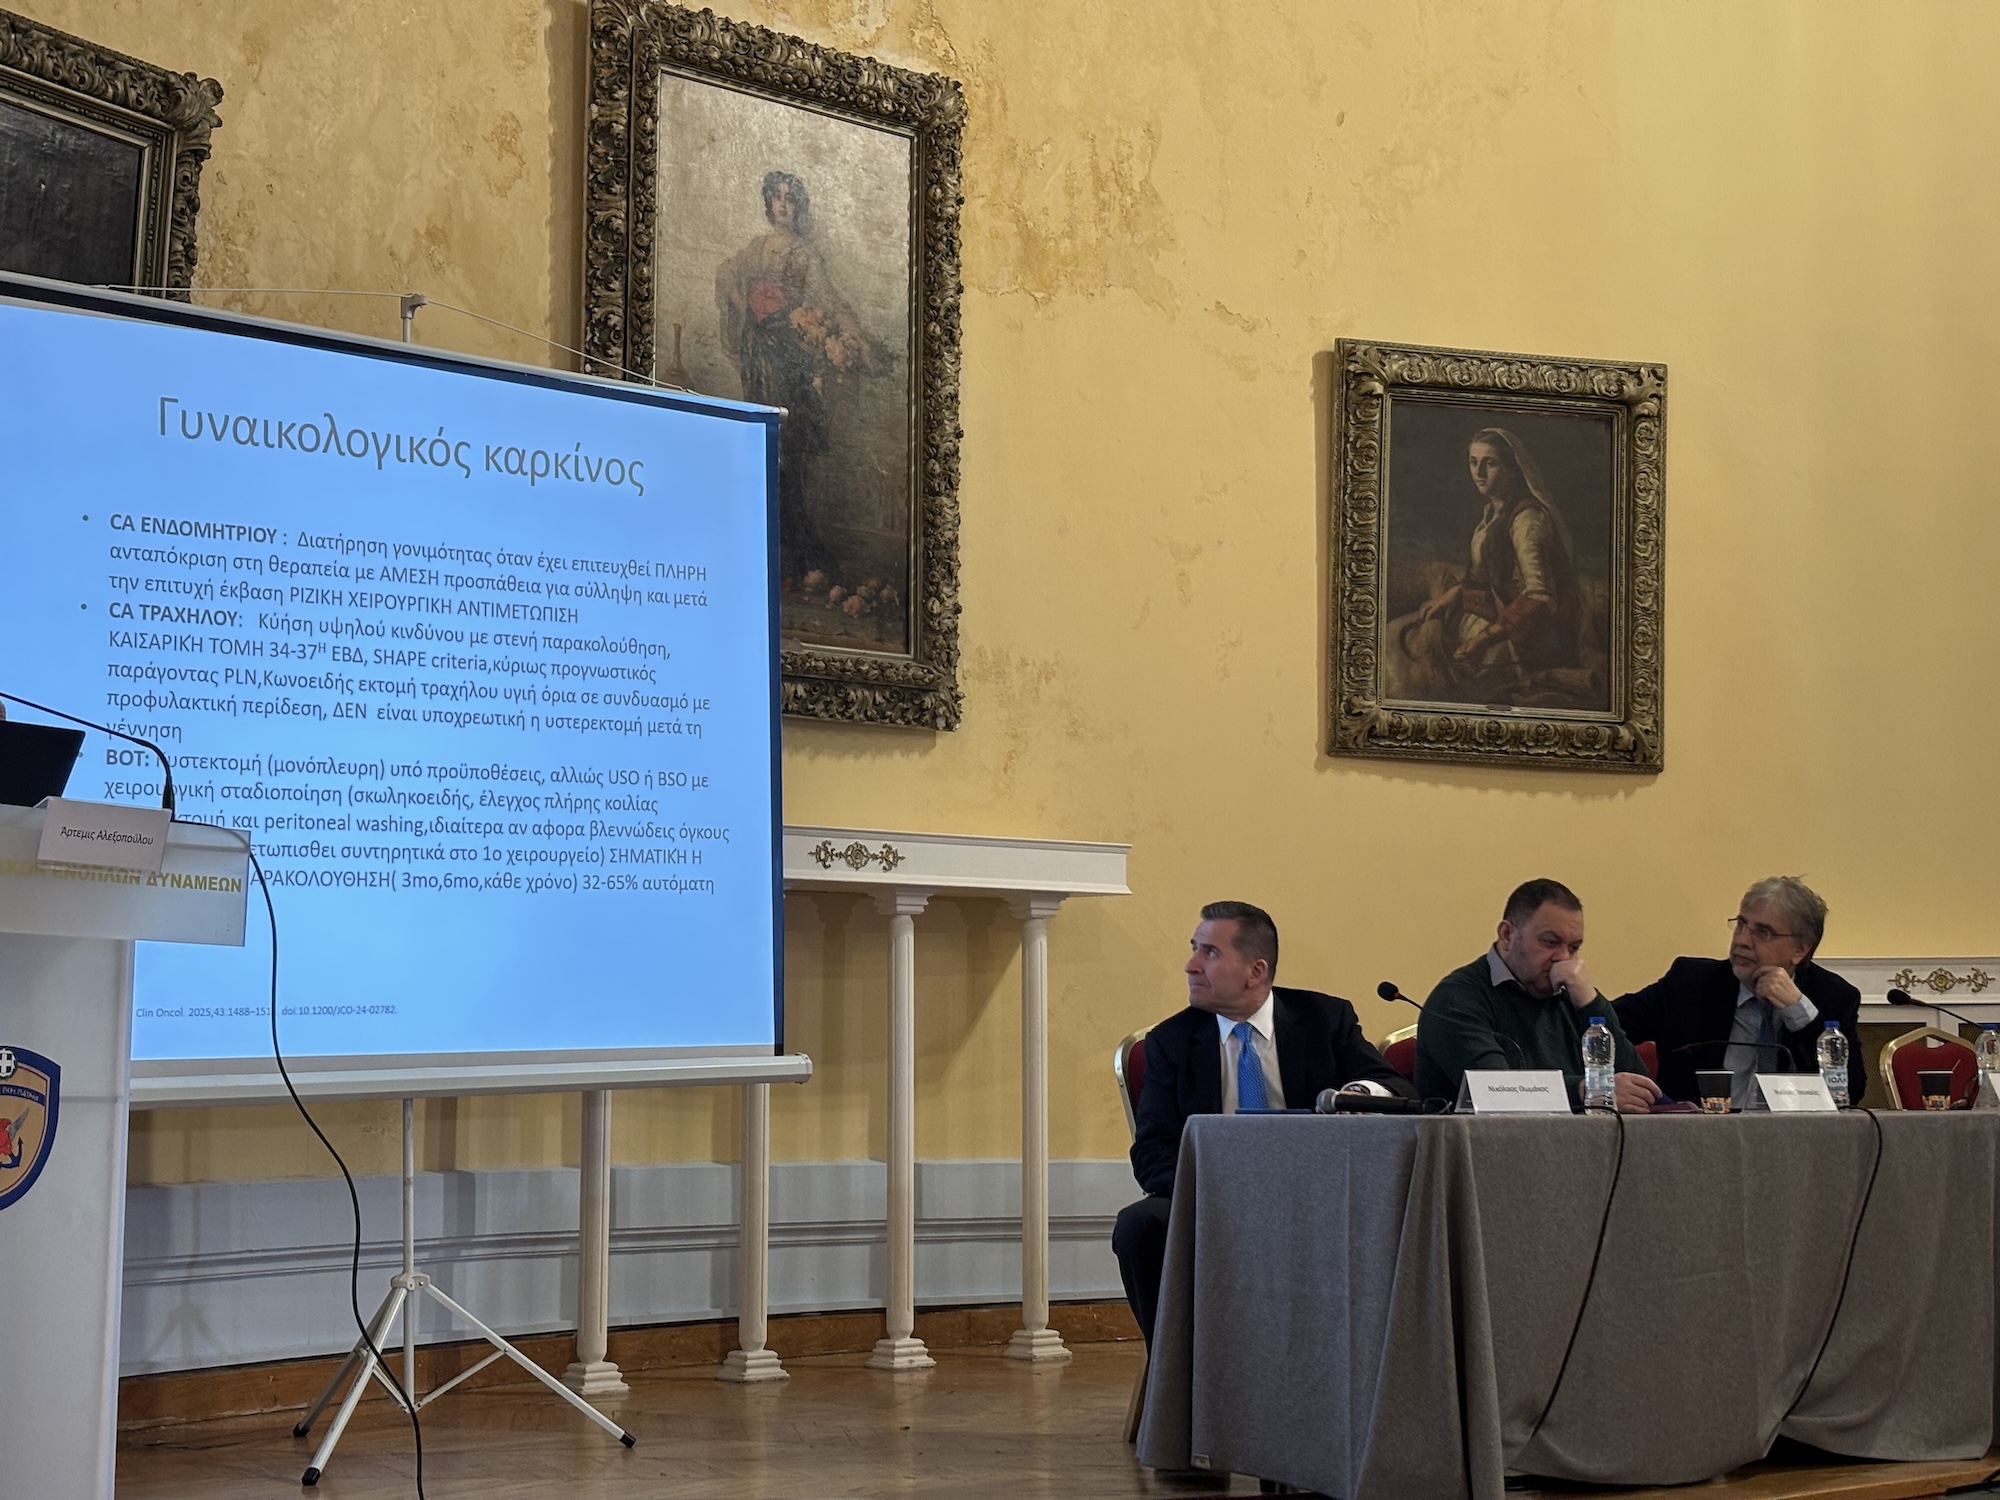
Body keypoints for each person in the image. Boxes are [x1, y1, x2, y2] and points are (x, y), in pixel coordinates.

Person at [1111, 901, 1413, 1345]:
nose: (1191, 965)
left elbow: (1397, 1087)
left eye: (1210, 953)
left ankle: (1365, 1363)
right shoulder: (1171, 1042)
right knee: (1139, 1225)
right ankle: (1178, 1371)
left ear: (1256, 971)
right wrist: (1225, 1189)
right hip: (1215, 1197)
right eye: (1194, 949)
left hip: (1319, 1196)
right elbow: (1152, 1151)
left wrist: (1358, 1094)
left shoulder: (1325, 1020)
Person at [714, 169, 889, 583]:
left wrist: (857, 339)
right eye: (776, 196)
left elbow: (831, 301)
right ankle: (757, 543)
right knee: (759, 440)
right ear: (768, 202)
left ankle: (790, 545)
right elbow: (726, 274)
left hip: (787, 355)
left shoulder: (805, 255)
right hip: (757, 352)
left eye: (790, 198)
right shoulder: (756, 248)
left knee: (787, 444)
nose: (782, 204)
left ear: (799, 207)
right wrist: (745, 306)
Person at [1387, 427, 1602, 710]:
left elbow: (1539, 596)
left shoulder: (1527, 520)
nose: (1479, 472)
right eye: (1473, 462)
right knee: (1398, 638)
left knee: (1422, 669)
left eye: (1490, 463)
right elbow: (1484, 575)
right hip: (1483, 616)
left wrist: (1482, 640)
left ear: (1512, 470)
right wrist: (1451, 595)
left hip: (1519, 638)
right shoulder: (1493, 513)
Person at [1613, 877, 1864, 1109]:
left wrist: (1800, 1014)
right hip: (1696, 1135)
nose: (1742, 940)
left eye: (1762, 932)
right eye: (1741, 925)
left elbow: (1849, 1093)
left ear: (1800, 950)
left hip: (1794, 1136)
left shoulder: (1833, 997)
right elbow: (1609, 1027)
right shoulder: (1690, 983)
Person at [1414, 878, 1659, 1112]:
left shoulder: (1575, 994)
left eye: (1574, 948)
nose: (1564, 958)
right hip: (1480, 1141)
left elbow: (1641, 1092)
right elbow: (1495, 1092)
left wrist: (1590, 1003)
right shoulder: (1457, 998)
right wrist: (1588, 1091)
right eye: (1550, 942)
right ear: (1507, 935)